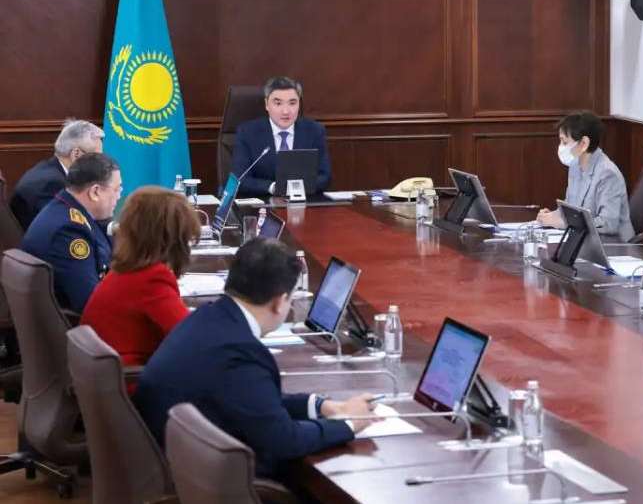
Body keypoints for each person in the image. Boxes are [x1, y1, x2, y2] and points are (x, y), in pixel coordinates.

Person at [134, 238, 376, 479]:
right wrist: (350, 424)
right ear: (280, 302)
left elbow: (253, 401)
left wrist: (322, 406)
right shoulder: (240, 351)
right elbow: (285, 441)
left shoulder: (209, 318)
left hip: (173, 466)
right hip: (213, 481)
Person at [81, 187, 198, 368]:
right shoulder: (152, 278)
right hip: (131, 381)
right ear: (172, 239)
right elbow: (191, 338)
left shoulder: (126, 269)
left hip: (106, 379)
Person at [21, 152, 121, 312]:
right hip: (79, 329)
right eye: (116, 190)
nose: (118, 197)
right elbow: (90, 302)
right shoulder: (68, 231)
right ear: (95, 192)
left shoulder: (66, 208)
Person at [536, 111, 635, 241]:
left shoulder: (608, 173)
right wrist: (551, 216)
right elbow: (572, 210)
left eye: (565, 142)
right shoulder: (575, 166)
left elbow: (608, 224)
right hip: (586, 241)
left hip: (615, 246)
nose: (561, 147)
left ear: (584, 143)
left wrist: (563, 223)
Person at [232, 76, 331, 197]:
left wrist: (297, 188)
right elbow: (240, 179)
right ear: (267, 105)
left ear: (299, 104)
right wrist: (273, 187)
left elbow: (325, 177)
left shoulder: (314, 131)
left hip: (305, 204)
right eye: (278, 103)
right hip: (264, 206)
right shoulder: (247, 132)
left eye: (292, 103)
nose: (286, 111)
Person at [9, 119, 104, 229]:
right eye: (96, 157)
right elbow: (65, 228)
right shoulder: (51, 184)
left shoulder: (51, 170)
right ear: (76, 154)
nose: (99, 163)